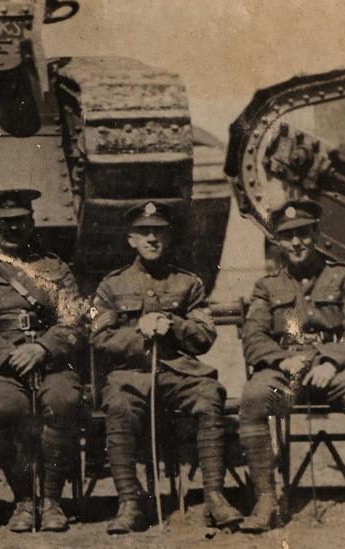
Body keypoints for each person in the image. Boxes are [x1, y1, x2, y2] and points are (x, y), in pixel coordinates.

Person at [238, 198, 345, 532]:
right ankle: (266, 498)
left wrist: (329, 360)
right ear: (278, 242)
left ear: (316, 234)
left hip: (335, 369)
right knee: (253, 398)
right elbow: (254, 338)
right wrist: (284, 360)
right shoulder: (267, 287)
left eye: (303, 233)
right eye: (287, 236)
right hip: (285, 370)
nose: (296, 243)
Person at [90, 201, 243, 534]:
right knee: (117, 405)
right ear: (131, 239)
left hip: (179, 373)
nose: (151, 239)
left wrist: (172, 324)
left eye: (158, 231)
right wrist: (138, 333)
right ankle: (130, 502)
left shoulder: (189, 283)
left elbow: (204, 337)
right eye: (144, 232)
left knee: (209, 397)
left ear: (168, 237)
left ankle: (215, 497)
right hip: (131, 376)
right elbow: (100, 338)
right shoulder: (110, 286)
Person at [0, 189, 84, 532]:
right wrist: (9, 356)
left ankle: (52, 501)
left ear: (32, 222)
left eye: (20, 222)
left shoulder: (56, 269)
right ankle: (24, 501)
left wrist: (42, 349)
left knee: (63, 400)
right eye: (4, 223)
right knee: (7, 407)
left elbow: (74, 321)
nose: (12, 229)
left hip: (49, 362)